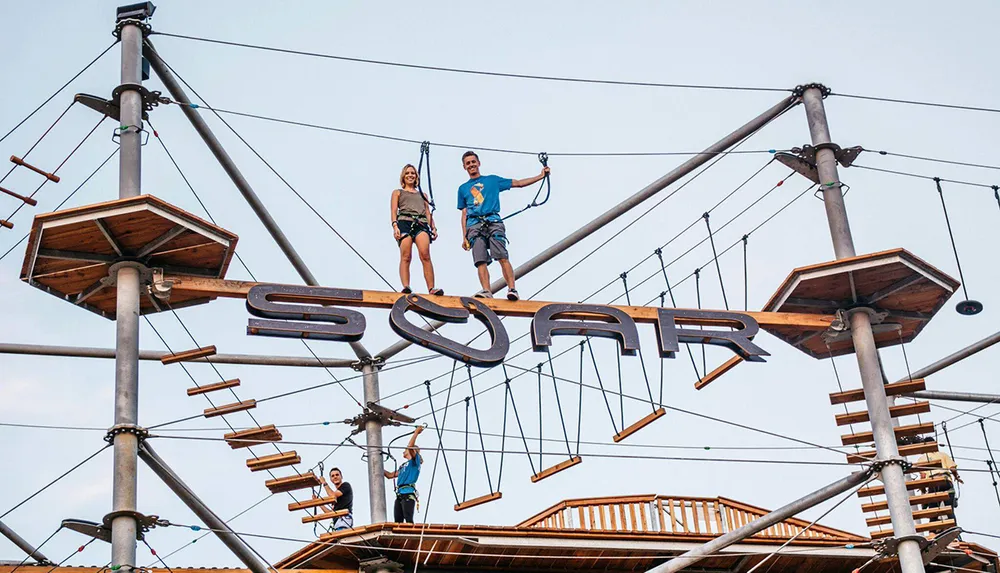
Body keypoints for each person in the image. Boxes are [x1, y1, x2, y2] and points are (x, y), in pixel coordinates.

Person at [457, 151, 550, 300]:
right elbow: (464, 213)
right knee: (480, 259)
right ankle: (487, 291)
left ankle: (512, 289)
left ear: (478, 163)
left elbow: (518, 183)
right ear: (464, 167)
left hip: (493, 220)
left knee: (501, 255)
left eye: (473, 162)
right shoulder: (463, 189)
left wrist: (540, 176)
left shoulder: (492, 180)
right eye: (468, 163)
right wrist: (464, 236)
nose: (471, 165)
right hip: (474, 224)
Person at [391, 164, 443, 296]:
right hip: (404, 222)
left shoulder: (422, 194)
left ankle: (431, 288)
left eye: (413, 173)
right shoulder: (398, 192)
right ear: (403, 176)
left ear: (416, 176)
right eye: (408, 173)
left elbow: (427, 212)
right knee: (406, 256)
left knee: (425, 254)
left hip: (421, 223)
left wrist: (433, 227)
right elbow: (393, 210)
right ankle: (406, 286)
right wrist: (395, 225)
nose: (410, 175)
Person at [384, 425, 424, 523]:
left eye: (406, 449)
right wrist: (377, 465)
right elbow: (390, 475)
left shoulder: (414, 462)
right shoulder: (403, 466)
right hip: (400, 495)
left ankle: (412, 535)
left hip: (408, 493)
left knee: (408, 519)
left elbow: (410, 446)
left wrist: (416, 433)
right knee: (398, 520)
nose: (404, 451)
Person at [914, 437, 963, 516]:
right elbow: (952, 469)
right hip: (946, 482)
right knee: (949, 509)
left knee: (933, 512)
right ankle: (953, 526)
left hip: (933, 483)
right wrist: (956, 477)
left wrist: (923, 492)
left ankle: (934, 525)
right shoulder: (943, 455)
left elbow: (923, 476)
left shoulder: (922, 458)